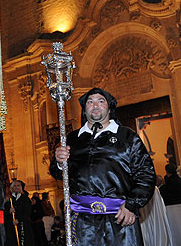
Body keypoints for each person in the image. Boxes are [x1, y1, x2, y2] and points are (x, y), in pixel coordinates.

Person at [50, 87, 156, 246]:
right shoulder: (72, 139)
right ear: (85, 109)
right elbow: (59, 174)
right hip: (82, 222)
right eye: (90, 102)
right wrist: (59, 163)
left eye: (101, 101)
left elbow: (145, 174)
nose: (95, 105)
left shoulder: (127, 136)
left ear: (109, 107)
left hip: (120, 217)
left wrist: (132, 204)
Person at [6, 180, 34, 246]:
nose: (16, 187)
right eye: (14, 186)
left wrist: (18, 220)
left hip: (23, 225)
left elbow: (27, 212)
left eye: (18, 185)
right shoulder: (9, 200)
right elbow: (4, 213)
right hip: (11, 227)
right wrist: (9, 211)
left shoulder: (25, 199)